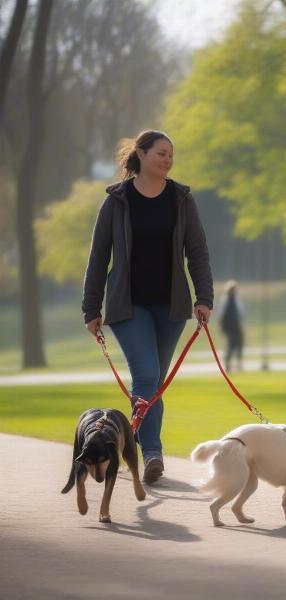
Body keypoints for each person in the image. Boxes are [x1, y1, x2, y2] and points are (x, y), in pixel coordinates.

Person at [82, 129, 213, 484]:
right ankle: (152, 452)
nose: (168, 159)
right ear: (140, 154)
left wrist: (204, 298)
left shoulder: (182, 200)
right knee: (147, 376)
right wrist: (90, 308)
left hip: (171, 308)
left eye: (171, 154)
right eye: (161, 153)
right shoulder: (116, 201)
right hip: (128, 305)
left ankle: (128, 442)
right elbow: (99, 257)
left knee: (151, 386)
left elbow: (197, 251)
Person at [217, 280, 245, 373]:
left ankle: (239, 364)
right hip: (229, 328)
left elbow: (240, 314)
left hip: (237, 327)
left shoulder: (237, 299)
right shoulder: (225, 300)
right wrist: (221, 327)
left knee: (239, 345)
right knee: (230, 346)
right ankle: (228, 366)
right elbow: (220, 314)